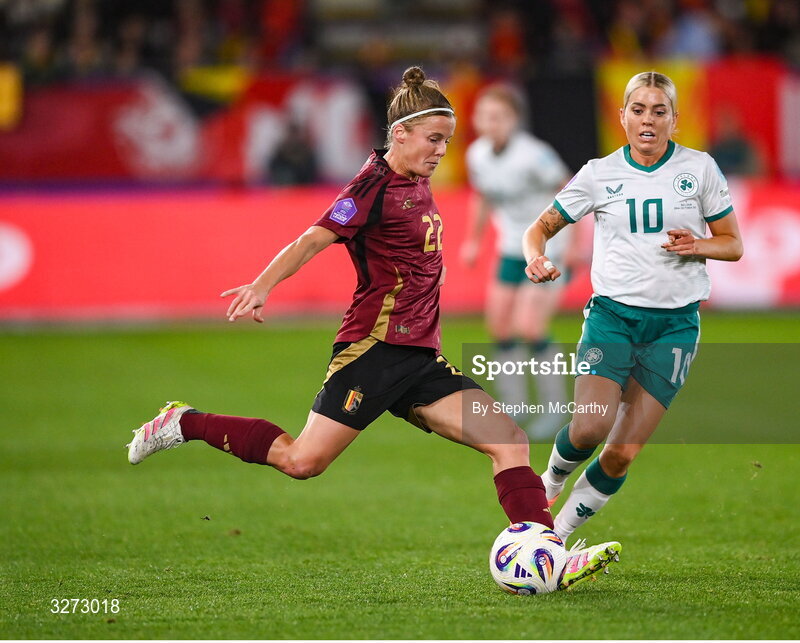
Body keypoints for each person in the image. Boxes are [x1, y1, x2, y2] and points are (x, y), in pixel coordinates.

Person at [125, 67, 620, 589]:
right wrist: (262, 285)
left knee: (509, 441)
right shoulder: (370, 187)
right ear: (399, 133)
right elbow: (312, 239)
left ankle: (548, 553)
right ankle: (183, 422)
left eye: (447, 141)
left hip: (419, 359)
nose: (440, 151)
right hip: (374, 351)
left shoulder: (418, 180)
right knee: (301, 461)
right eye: (433, 139)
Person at [522, 71, 743, 541]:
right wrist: (535, 257)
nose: (648, 120)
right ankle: (551, 481)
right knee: (589, 428)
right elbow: (537, 228)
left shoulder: (699, 169)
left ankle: (556, 536)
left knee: (621, 453)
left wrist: (698, 245)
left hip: (675, 327)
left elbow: (733, 244)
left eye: (659, 111)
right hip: (613, 318)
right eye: (638, 110)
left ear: (675, 119)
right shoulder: (599, 174)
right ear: (621, 116)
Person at [461, 84, 579, 438]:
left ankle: (555, 409)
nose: (489, 123)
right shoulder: (477, 154)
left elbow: (571, 191)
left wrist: (575, 245)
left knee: (530, 327)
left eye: (497, 116)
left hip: (549, 248)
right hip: (511, 249)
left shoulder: (535, 155)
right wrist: (473, 240)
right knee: (499, 326)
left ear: (514, 119)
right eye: (484, 116)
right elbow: (482, 197)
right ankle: (513, 408)